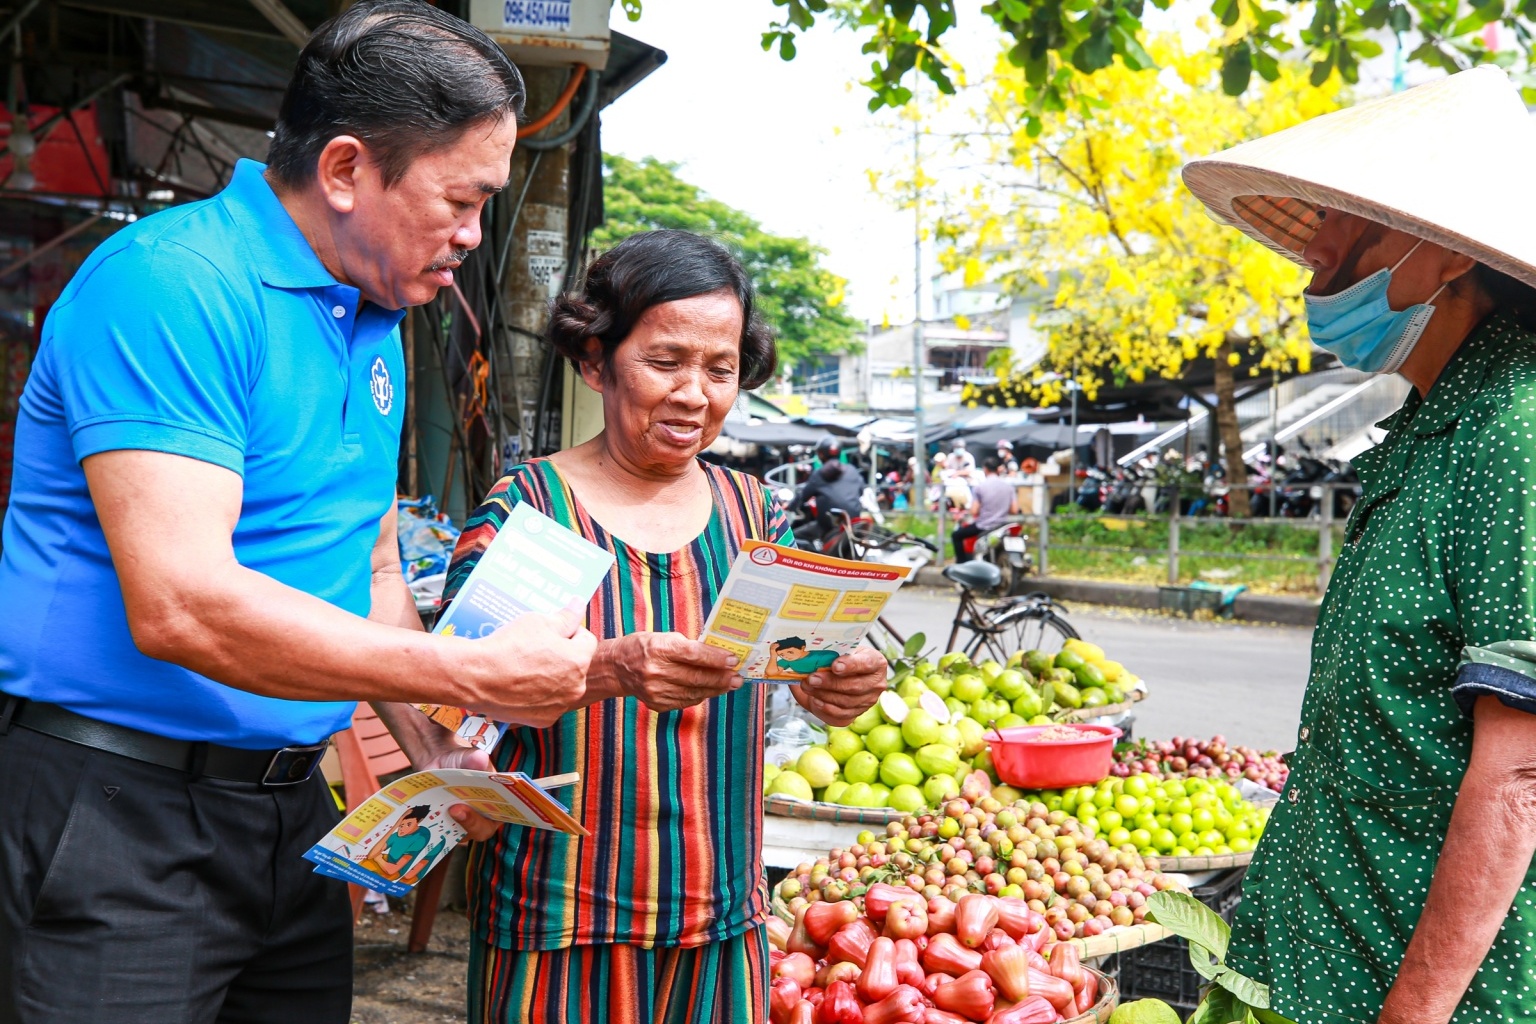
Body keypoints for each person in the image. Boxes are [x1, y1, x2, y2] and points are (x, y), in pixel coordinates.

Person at [0, 4, 597, 1022]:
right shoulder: (173, 285)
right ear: (346, 170)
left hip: (288, 812)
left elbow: (364, 568)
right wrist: (461, 669)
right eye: (461, 198)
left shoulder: (377, 316)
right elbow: (180, 604)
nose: (471, 236)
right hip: (117, 809)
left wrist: (432, 746)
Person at [443, 230, 890, 1024]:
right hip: (562, 922)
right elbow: (455, 702)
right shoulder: (530, 511)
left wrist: (834, 679)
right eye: (665, 361)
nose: (695, 394)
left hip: (721, 917)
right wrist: (606, 669)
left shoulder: (755, 513)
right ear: (594, 360)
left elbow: (793, 658)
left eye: (720, 370)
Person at [1182, 65, 1536, 1024]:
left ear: (1447, 254)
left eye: (1351, 220)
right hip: (1321, 960)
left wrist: (1413, 1011)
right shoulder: (1431, 429)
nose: (1317, 253)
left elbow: (1520, 775)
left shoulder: (1513, 434)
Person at [790, 435, 865, 546]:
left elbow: (803, 496)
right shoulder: (852, 470)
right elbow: (861, 490)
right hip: (853, 523)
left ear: (820, 454)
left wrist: (789, 506)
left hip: (829, 526)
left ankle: (811, 560)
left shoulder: (819, 474)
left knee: (792, 536)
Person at [950, 457, 1020, 561]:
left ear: (985, 470)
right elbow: (1014, 510)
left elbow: (974, 511)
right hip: (1003, 525)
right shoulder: (1009, 487)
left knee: (956, 535)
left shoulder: (980, 487)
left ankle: (961, 564)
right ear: (998, 469)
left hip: (984, 526)